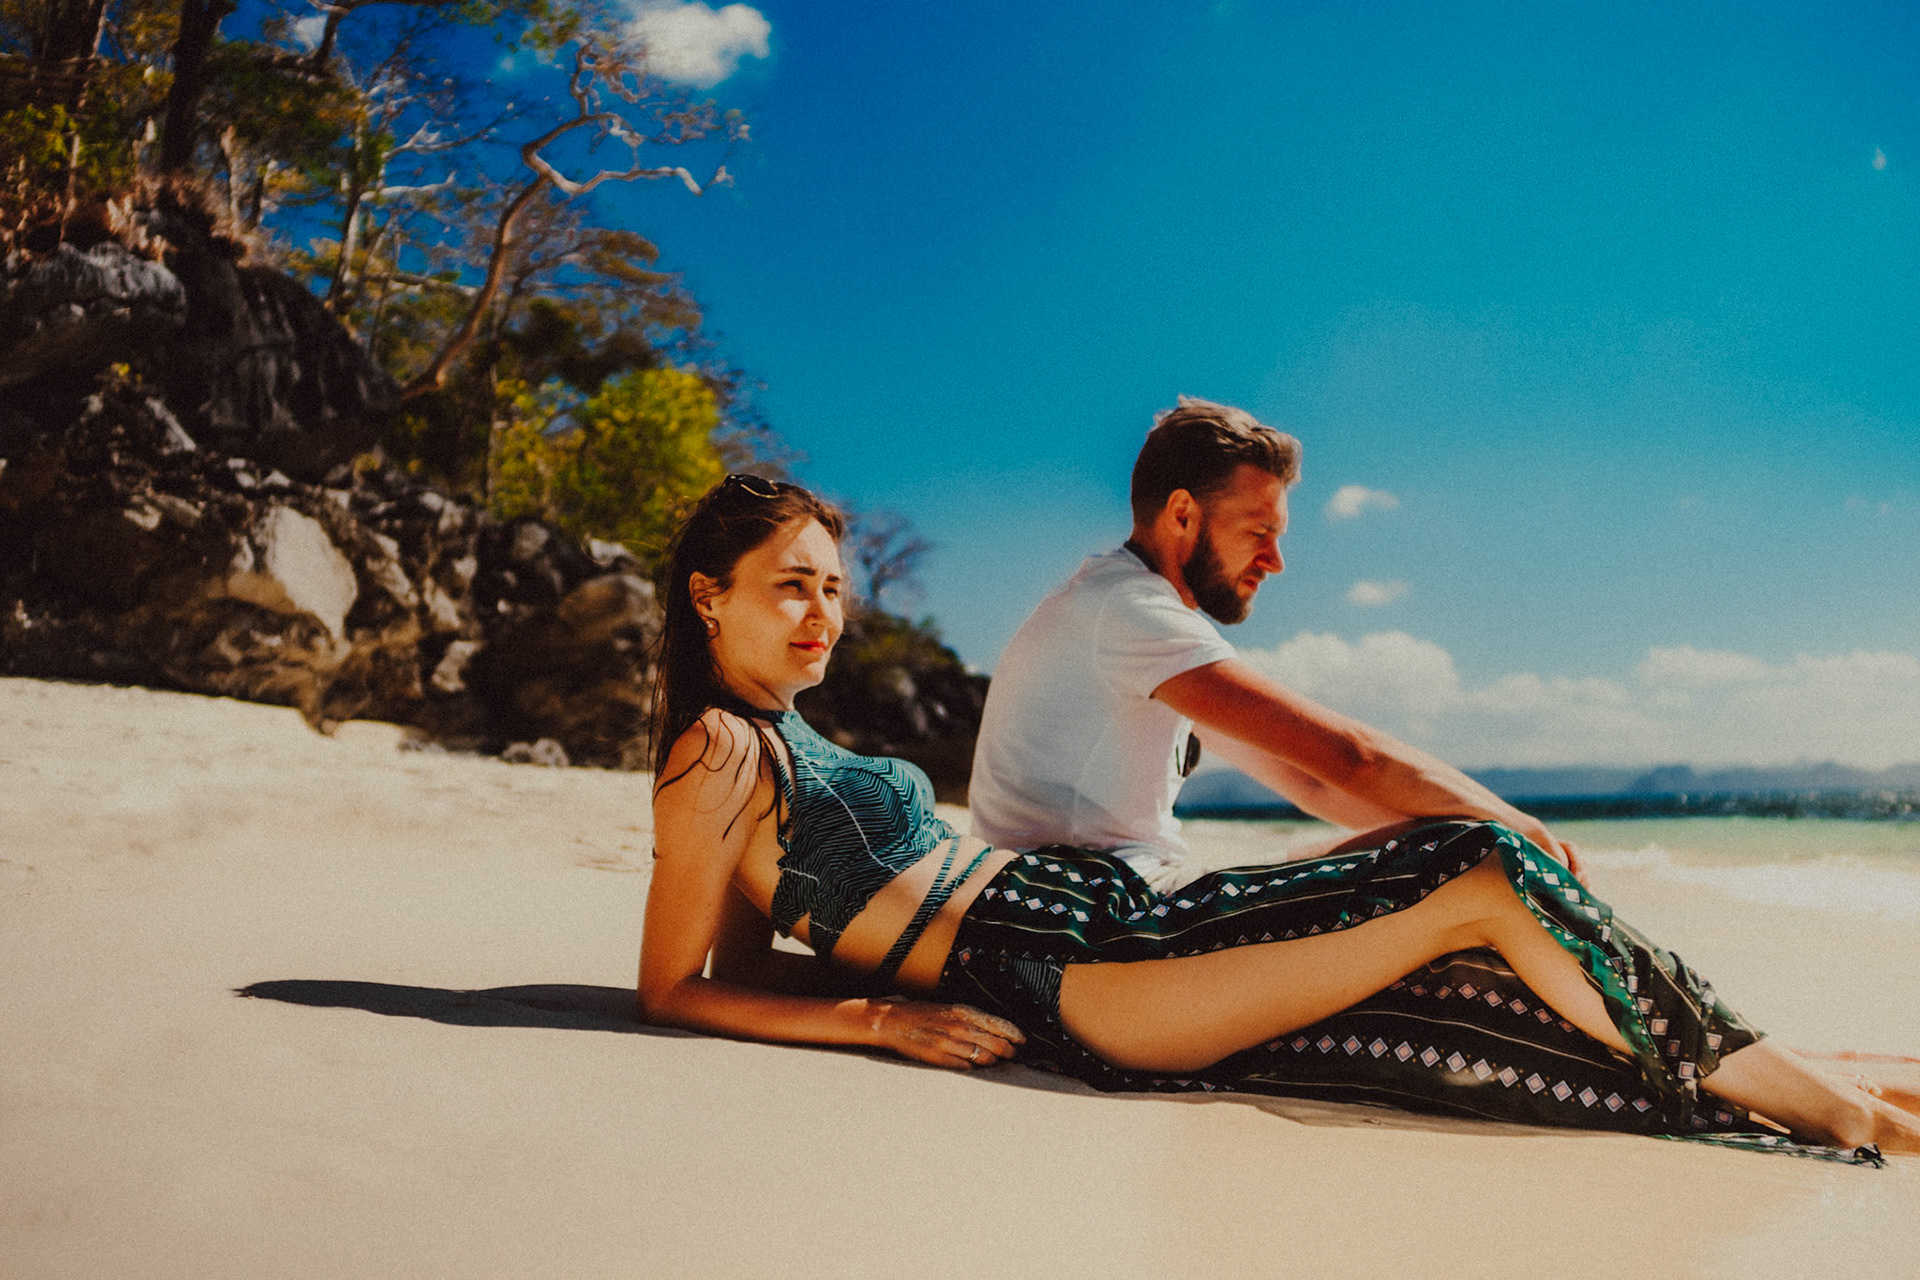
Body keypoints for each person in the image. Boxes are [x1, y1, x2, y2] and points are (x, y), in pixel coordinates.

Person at [638, 470, 1920, 1162]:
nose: (820, 613)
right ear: (709, 597)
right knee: (1476, 860)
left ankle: (1839, 1093)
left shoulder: (784, 743)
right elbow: (672, 988)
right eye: (787, 587)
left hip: (1126, 928)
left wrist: (840, 992)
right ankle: (1842, 1111)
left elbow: (761, 954)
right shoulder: (715, 747)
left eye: (830, 589)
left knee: (1475, 991)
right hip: (1075, 969)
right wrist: (878, 1018)